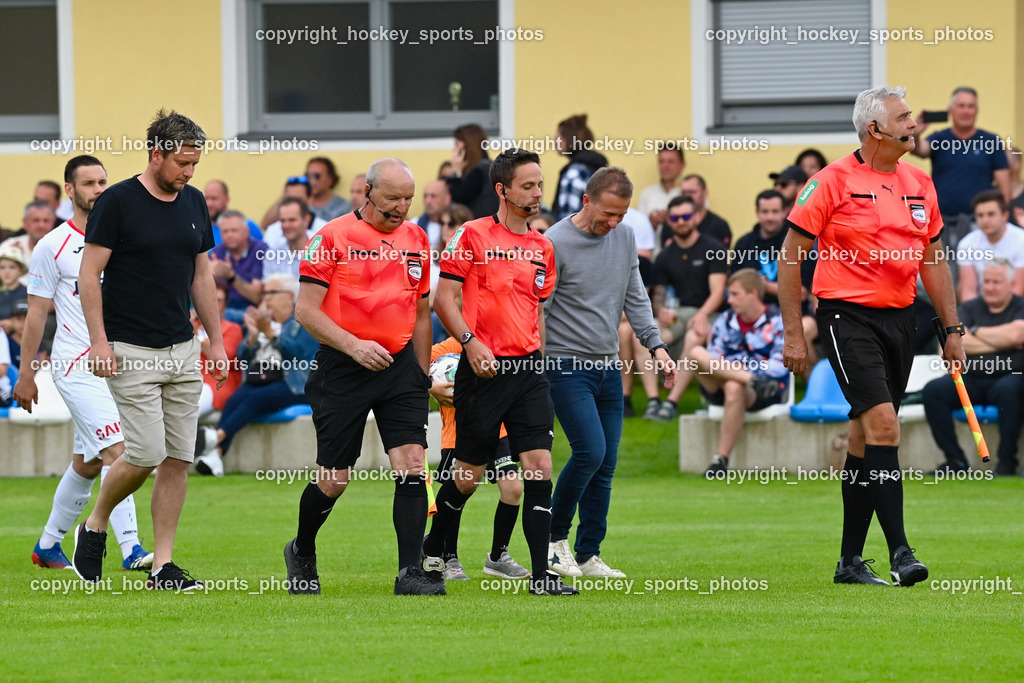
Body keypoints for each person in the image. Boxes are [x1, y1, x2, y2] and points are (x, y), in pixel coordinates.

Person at [779, 86, 964, 588]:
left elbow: (932, 260)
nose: (914, 123)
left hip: (901, 320)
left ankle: (849, 563)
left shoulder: (920, 182)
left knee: (864, 436)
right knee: (884, 427)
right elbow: (790, 257)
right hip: (846, 318)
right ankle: (902, 553)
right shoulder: (829, 181)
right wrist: (794, 334)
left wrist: (952, 330)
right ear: (874, 130)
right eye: (904, 117)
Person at [72, 109, 229, 592]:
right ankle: (95, 523)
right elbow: (88, 274)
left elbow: (202, 275)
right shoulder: (117, 201)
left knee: (179, 458)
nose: (188, 172)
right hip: (128, 347)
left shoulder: (195, 202)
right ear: (157, 154)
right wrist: (99, 342)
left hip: (181, 347)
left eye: (195, 164)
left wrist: (216, 341)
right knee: (143, 453)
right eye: (182, 162)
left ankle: (162, 566)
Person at [424, 147, 577, 595]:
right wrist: (471, 345)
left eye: (540, 184)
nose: (537, 193)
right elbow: (443, 300)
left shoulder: (543, 246)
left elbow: (536, 311)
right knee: (468, 476)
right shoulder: (471, 235)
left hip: (529, 371)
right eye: (528, 185)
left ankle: (543, 577)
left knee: (539, 467)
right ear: (502, 189)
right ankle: (435, 549)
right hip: (484, 371)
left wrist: (540, 360)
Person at [283, 157, 437, 596]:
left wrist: (420, 374)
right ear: (368, 192)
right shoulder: (331, 237)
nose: (401, 208)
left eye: (408, 199)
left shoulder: (417, 238)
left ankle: (410, 573)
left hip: (401, 367)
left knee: (410, 464)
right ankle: (302, 550)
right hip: (342, 368)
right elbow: (305, 311)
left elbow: (422, 312)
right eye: (392, 198)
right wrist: (353, 345)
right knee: (334, 479)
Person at [14, 155, 154, 572]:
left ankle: (48, 544)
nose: (98, 190)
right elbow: (37, 314)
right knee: (122, 453)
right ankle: (131, 548)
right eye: (89, 183)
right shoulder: (51, 246)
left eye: (103, 182)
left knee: (89, 462)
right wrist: (26, 374)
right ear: (70, 191)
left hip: (120, 362)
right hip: (77, 366)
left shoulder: (122, 239)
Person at [543, 167, 676, 579]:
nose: (613, 223)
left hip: (607, 366)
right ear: (586, 201)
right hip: (564, 365)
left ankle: (588, 553)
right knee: (590, 453)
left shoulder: (624, 236)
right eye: (607, 215)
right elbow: (539, 310)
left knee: (606, 464)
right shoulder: (554, 242)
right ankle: (552, 542)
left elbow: (634, 294)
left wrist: (656, 345)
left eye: (621, 215)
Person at [428, 336, 530, 581]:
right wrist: (430, 385)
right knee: (460, 491)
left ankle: (498, 557)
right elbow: (412, 367)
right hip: (459, 432)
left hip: (498, 429)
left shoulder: (503, 345)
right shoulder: (451, 346)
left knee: (514, 488)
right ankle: (447, 555)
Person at [195, 274, 318, 476]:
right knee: (236, 399)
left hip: (295, 383)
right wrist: (253, 336)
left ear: (289, 296)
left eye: (271, 293)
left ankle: (216, 437)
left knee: (255, 398)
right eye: (264, 293)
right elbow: (243, 357)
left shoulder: (303, 321)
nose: (266, 298)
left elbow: (298, 355)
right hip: (262, 378)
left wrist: (270, 333)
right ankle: (215, 454)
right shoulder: (263, 322)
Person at [923, 258, 1024, 475]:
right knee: (934, 390)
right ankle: (956, 461)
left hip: (1009, 379)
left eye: (996, 282)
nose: (989, 287)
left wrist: (972, 332)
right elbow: (947, 346)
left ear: (1010, 283)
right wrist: (1001, 340)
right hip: (971, 379)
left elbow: (1018, 335)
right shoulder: (968, 308)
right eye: (986, 281)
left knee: (1011, 389)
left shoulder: (1020, 306)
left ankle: (1007, 463)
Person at [695, 269, 789, 477]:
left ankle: (720, 461)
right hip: (722, 382)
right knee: (695, 353)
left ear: (753, 294)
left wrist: (736, 371)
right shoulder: (725, 320)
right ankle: (750, 380)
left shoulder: (778, 321)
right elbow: (712, 357)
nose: (730, 301)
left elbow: (779, 365)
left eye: (735, 294)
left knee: (733, 386)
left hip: (764, 390)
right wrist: (739, 372)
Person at [646, 195, 727, 421]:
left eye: (686, 216)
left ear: (697, 217)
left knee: (694, 337)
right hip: (679, 314)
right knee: (645, 333)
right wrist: (660, 309)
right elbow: (658, 294)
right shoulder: (664, 256)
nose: (681, 221)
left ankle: (671, 402)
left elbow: (718, 293)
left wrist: (702, 315)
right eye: (675, 217)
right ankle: (653, 400)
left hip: (711, 313)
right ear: (669, 221)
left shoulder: (714, 248)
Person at [911, 87, 1011, 270]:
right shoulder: (940, 138)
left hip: (979, 225)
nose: (966, 111)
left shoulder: (991, 141)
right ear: (951, 111)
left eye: (971, 106)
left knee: (980, 274)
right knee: (945, 274)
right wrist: (916, 133)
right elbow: (919, 150)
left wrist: (998, 219)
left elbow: (1005, 189)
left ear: (977, 111)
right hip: (942, 225)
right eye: (961, 106)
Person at [956, 189, 1024, 300]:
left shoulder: (1021, 240)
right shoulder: (967, 244)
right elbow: (968, 291)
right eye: (980, 215)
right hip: (980, 307)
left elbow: (1018, 289)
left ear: (1005, 215)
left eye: (991, 214)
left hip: (1015, 308)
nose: (985, 220)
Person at [193, 282, 243, 420]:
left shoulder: (232, 328)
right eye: (209, 298)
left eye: (219, 300)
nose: (214, 304)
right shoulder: (189, 325)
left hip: (216, 385)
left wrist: (196, 335)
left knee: (186, 408)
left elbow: (223, 359)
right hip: (188, 380)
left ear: (226, 305)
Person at [208, 210, 268, 323]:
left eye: (234, 230)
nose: (229, 235)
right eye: (225, 231)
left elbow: (256, 296)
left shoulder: (260, 250)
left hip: (251, 310)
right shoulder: (216, 253)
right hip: (222, 308)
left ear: (246, 231)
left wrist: (230, 276)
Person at [731, 190, 788, 304]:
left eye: (775, 211)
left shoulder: (797, 243)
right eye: (765, 211)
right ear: (757, 212)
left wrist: (762, 285)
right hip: (749, 311)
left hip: (789, 312)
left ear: (784, 212)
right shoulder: (743, 243)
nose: (770, 217)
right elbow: (734, 285)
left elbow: (802, 293)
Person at [553, 114, 607, 220]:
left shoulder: (574, 172)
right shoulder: (595, 166)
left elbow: (567, 218)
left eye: (557, 139)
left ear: (569, 140)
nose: (554, 143)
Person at [443, 124, 498, 219]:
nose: (454, 150)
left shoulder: (479, 171)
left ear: (466, 146)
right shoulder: (489, 166)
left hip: (482, 229)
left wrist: (456, 173)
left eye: (456, 145)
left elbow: (460, 199)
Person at [261, 198, 322, 280]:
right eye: (283, 221)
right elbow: (268, 286)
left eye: (292, 220)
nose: (286, 225)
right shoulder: (273, 252)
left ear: (306, 220)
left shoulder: (322, 249)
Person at [637, 145, 685, 230]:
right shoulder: (647, 193)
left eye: (671, 161)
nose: (665, 166)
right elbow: (639, 230)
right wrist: (650, 222)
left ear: (682, 165)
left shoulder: (690, 193)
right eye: (661, 161)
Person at [305, 157, 353, 221]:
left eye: (316, 176)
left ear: (330, 179)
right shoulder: (299, 206)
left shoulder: (345, 208)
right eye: (308, 176)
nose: (311, 181)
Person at [0, 245, 29, 334]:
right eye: (2, 267)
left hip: (18, 341)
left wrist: (14, 324)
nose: (7, 271)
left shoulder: (27, 293)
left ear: (21, 271)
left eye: (12, 267)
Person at [413, 179, 451, 246]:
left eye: (433, 196)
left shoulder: (456, 226)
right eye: (425, 196)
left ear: (447, 199)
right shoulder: (414, 225)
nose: (428, 201)